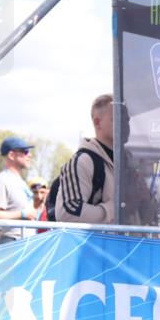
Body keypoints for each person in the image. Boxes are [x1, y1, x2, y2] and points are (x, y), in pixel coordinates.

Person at [55, 93, 115, 224]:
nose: (126, 123)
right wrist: (116, 209)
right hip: (98, 244)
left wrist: (145, 202)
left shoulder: (130, 162)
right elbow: (67, 213)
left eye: (127, 118)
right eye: (118, 118)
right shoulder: (84, 161)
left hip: (129, 244)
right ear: (97, 122)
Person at [0, 136, 38, 242]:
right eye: (25, 151)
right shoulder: (1, 181)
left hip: (24, 242)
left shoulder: (19, 181)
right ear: (11, 155)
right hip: (11, 243)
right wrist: (22, 214)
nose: (29, 155)